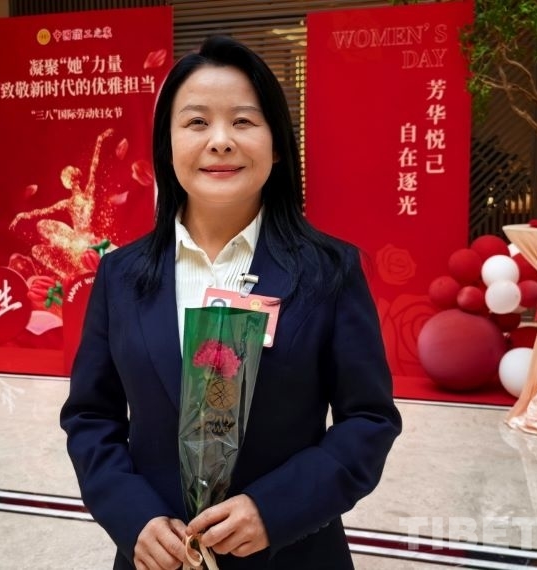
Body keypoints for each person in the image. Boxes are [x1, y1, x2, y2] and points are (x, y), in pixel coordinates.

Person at [60, 35, 402, 570]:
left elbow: (368, 420)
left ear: (277, 144)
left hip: (293, 556)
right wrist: (134, 518)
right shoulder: (120, 275)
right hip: (158, 560)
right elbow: (90, 416)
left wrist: (275, 510)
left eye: (243, 121)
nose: (220, 141)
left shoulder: (330, 271)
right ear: (167, 145)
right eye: (196, 122)